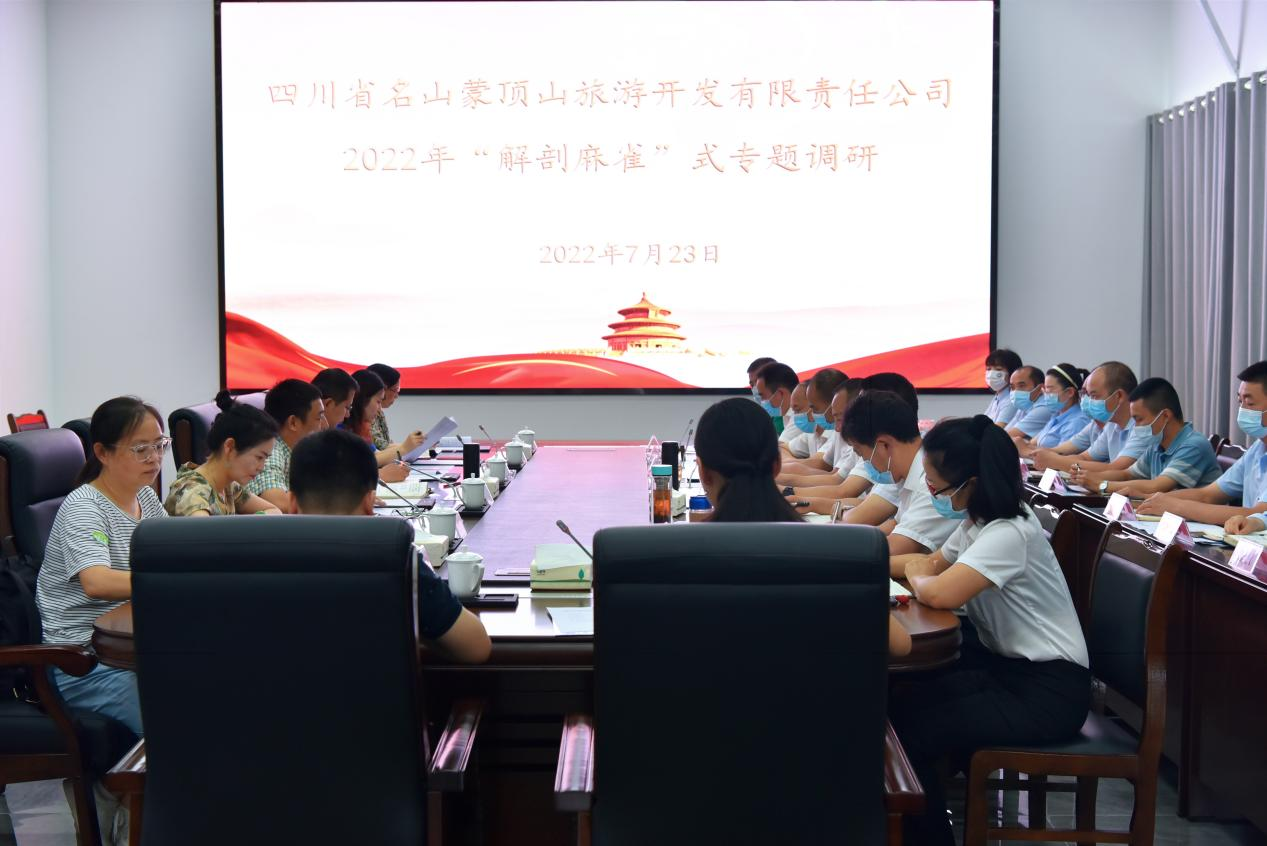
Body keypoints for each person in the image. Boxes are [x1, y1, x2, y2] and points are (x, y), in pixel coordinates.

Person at [889, 415, 1089, 846]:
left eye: (938, 488)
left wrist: (922, 575)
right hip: (1009, 674)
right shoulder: (978, 524)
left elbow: (937, 588)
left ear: (972, 484)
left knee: (913, 735)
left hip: (1048, 692)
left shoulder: (1009, 532)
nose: (933, 495)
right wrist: (877, 562)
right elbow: (926, 565)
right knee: (900, 706)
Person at [694, 397, 910, 656]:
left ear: (703, 472)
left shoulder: (683, 555)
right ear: (777, 465)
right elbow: (901, 646)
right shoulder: (832, 551)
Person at [287, 428, 492, 663]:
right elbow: (476, 648)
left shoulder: (262, 557)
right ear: (369, 503)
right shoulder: (395, 558)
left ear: (292, 503)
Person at [35, 397, 170, 735]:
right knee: (171, 723)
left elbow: (171, 554)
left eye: (159, 445)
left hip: (132, 644)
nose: (154, 458)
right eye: (140, 449)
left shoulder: (145, 496)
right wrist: (167, 582)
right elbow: (96, 581)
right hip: (83, 660)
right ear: (103, 453)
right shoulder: (85, 506)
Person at [1134, 362, 1267, 528]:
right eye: (1240, 402)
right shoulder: (1257, 449)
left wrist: (1176, 507)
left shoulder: (1194, 443)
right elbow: (1208, 494)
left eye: (1250, 403)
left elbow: (1259, 514)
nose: (1242, 410)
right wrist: (1152, 499)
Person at [836, 390, 960, 560]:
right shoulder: (907, 473)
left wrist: (832, 546)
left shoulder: (933, 482)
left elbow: (895, 548)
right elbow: (896, 524)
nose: (865, 462)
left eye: (862, 454)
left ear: (883, 445)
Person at [785, 373, 920, 514]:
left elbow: (850, 497)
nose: (839, 428)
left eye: (860, 409)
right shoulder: (891, 457)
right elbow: (866, 504)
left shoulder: (903, 466)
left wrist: (789, 493)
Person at [1071, 377, 1220, 497]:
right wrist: (1090, 477)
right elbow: (1127, 474)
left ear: (1165, 416)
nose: (1135, 427)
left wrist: (1102, 485)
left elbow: (1158, 486)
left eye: (1139, 419)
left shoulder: (1194, 445)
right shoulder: (1157, 444)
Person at [164, 392, 282, 517]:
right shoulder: (193, 494)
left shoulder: (229, 486)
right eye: (259, 457)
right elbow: (203, 529)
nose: (261, 467)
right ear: (229, 447)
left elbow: (274, 510)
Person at [1031, 361, 1148, 473]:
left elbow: (1117, 469)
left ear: (1119, 396)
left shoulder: (1142, 428)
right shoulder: (1112, 425)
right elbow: (1084, 458)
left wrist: (1057, 462)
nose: (1088, 401)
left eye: (1094, 396)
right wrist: (1054, 460)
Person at [245, 378, 326, 513]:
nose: (325, 426)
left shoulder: (297, 452)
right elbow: (278, 501)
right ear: (293, 423)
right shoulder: (272, 452)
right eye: (319, 418)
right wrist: (338, 501)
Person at [346, 369, 425, 479]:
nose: (379, 409)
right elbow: (358, 466)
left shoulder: (361, 427)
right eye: (378, 402)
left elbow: (375, 455)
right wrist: (404, 448)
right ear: (362, 400)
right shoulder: (342, 430)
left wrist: (408, 446)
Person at [782, 369, 848, 464]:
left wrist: (787, 464)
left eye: (813, 407)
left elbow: (819, 464)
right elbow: (781, 448)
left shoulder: (837, 432)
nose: (810, 413)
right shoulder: (813, 432)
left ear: (833, 404)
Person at [1023, 364, 1091, 450]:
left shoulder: (1077, 422)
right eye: (1045, 389)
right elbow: (1033, 443)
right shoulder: (1057, 415)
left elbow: (1059, 456)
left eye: (1049, 389)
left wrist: (1024, 449)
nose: (1045, 394)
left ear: (1069, 392)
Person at [1003, 366, 1055, 439]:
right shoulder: (1025, 405)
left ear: (1040, 388)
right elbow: (1005, 432)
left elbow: (1004, 437)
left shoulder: (1044, 408)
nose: (1015, 391)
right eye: (1012, 387)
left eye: (1021, 386)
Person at [752, 362, 798, 435]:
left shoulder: (800, 419)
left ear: (780, 393)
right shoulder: (786, 416)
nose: (761, 401)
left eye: (762, 396)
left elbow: (781, 442)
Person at [983, 348, 1022, 423]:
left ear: (1012, 373)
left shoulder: (1012, 400)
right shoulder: (998, 396)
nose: (991, 373)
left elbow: (998, 428)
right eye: (988, 369)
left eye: (998, 369)